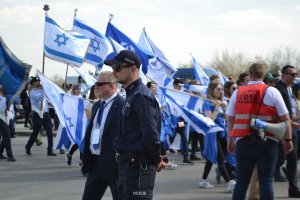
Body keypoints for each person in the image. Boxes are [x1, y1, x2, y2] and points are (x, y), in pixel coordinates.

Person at [104, 50, 166, 200]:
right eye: (113, 68)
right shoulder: (132, 94)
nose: (114, 72)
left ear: (133, 68)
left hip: (138, 167)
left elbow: (150, 133)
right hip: (128, 167)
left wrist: (157, 159)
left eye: (118, 68)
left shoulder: (141, 96)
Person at [227, 63, 293, 199]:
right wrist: (288, 140)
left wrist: (230, 140)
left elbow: (230, 119)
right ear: (263, 75)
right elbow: (286, 119)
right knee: (266, 182)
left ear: (250, 75)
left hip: (243, 142)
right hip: (268, 142)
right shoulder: (272, 91)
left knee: (242, 182)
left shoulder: (238, 92)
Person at [81, 71, 124, 200]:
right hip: (95, 163)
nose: (96, 87)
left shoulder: (123, 105)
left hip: (114, 165)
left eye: (100, 84)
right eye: (95, 84)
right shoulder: (97, 105)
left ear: (112, 86)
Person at [198, 80, 235, 191]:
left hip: (221, 133)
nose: (220, 91)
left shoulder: (219, 102)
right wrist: (217, 108)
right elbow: (210, 120)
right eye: (218, 89)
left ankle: (203, 180)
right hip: (212, 134)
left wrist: (224, 109)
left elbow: (227, 119)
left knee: (212, 159)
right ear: (211, 90)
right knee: (220, 159)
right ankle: (230, 182)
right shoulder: (207, 103)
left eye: (221, 89)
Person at [274, 65, 300, 197]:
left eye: (295, 74)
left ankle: (293, 188)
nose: (294, 76)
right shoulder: (278, 88)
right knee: (281, 158)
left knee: (291, 159)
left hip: (289, 127)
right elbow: (279, 112)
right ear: (284, 75)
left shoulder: (288, 89)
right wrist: (291, 123)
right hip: (284, 129)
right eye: (292, 74)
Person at [25, 77, 56, 156]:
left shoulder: (42, 91)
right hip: (37, 114)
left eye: (39, 81)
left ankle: (50, 150)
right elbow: (40, 98)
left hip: (45, 113)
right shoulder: (32, 92)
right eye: (36, 81)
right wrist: (43, 89)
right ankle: (28, 146)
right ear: (33, 84)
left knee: (50, 132)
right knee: (36, 132)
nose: (38, 82)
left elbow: (47, 100)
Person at [171, 78, 194, 165]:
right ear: (175, 86)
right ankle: (161, 156)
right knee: (171, 138)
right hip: (173, 120)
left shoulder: (183, 94)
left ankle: (186, 158)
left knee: (184, 139)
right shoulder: (170, 93)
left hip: (181, 121)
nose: (181, 87)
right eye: (180, 86)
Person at [0, 84, 16, 161]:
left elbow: (12, 109)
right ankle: (10, 155)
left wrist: (13, 120)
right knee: (7, 135)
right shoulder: (2, 98)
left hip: (8, 119)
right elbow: (2, 109)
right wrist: (3, 97)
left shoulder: (8, 98)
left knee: (7, 136)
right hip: (1, 118)